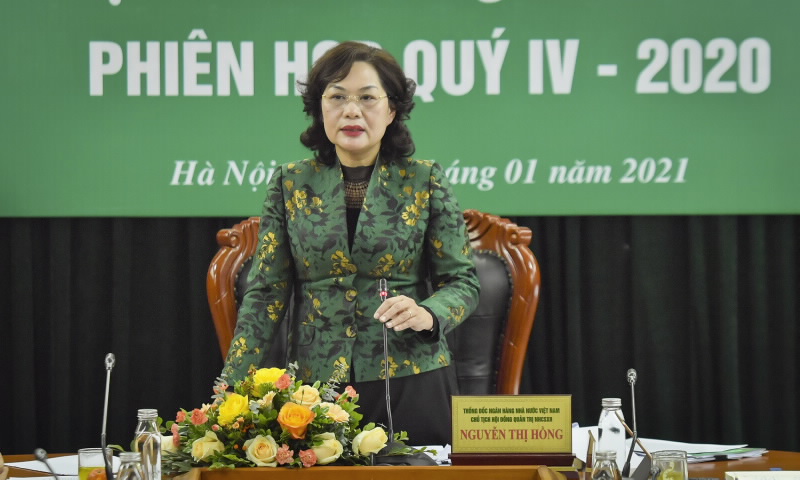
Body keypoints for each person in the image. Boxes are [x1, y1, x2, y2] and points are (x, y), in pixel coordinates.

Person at [221, 41, 480, 446]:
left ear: (391, 110)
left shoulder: (423, 179)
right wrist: (229, 393)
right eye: (337, 97)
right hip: (316, 389)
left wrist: (428, 313)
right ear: (320, 108)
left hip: (411, 375)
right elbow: (266, 293)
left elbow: (463, 282)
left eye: (367, 98)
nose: (352, 111)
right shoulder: (290, 183)